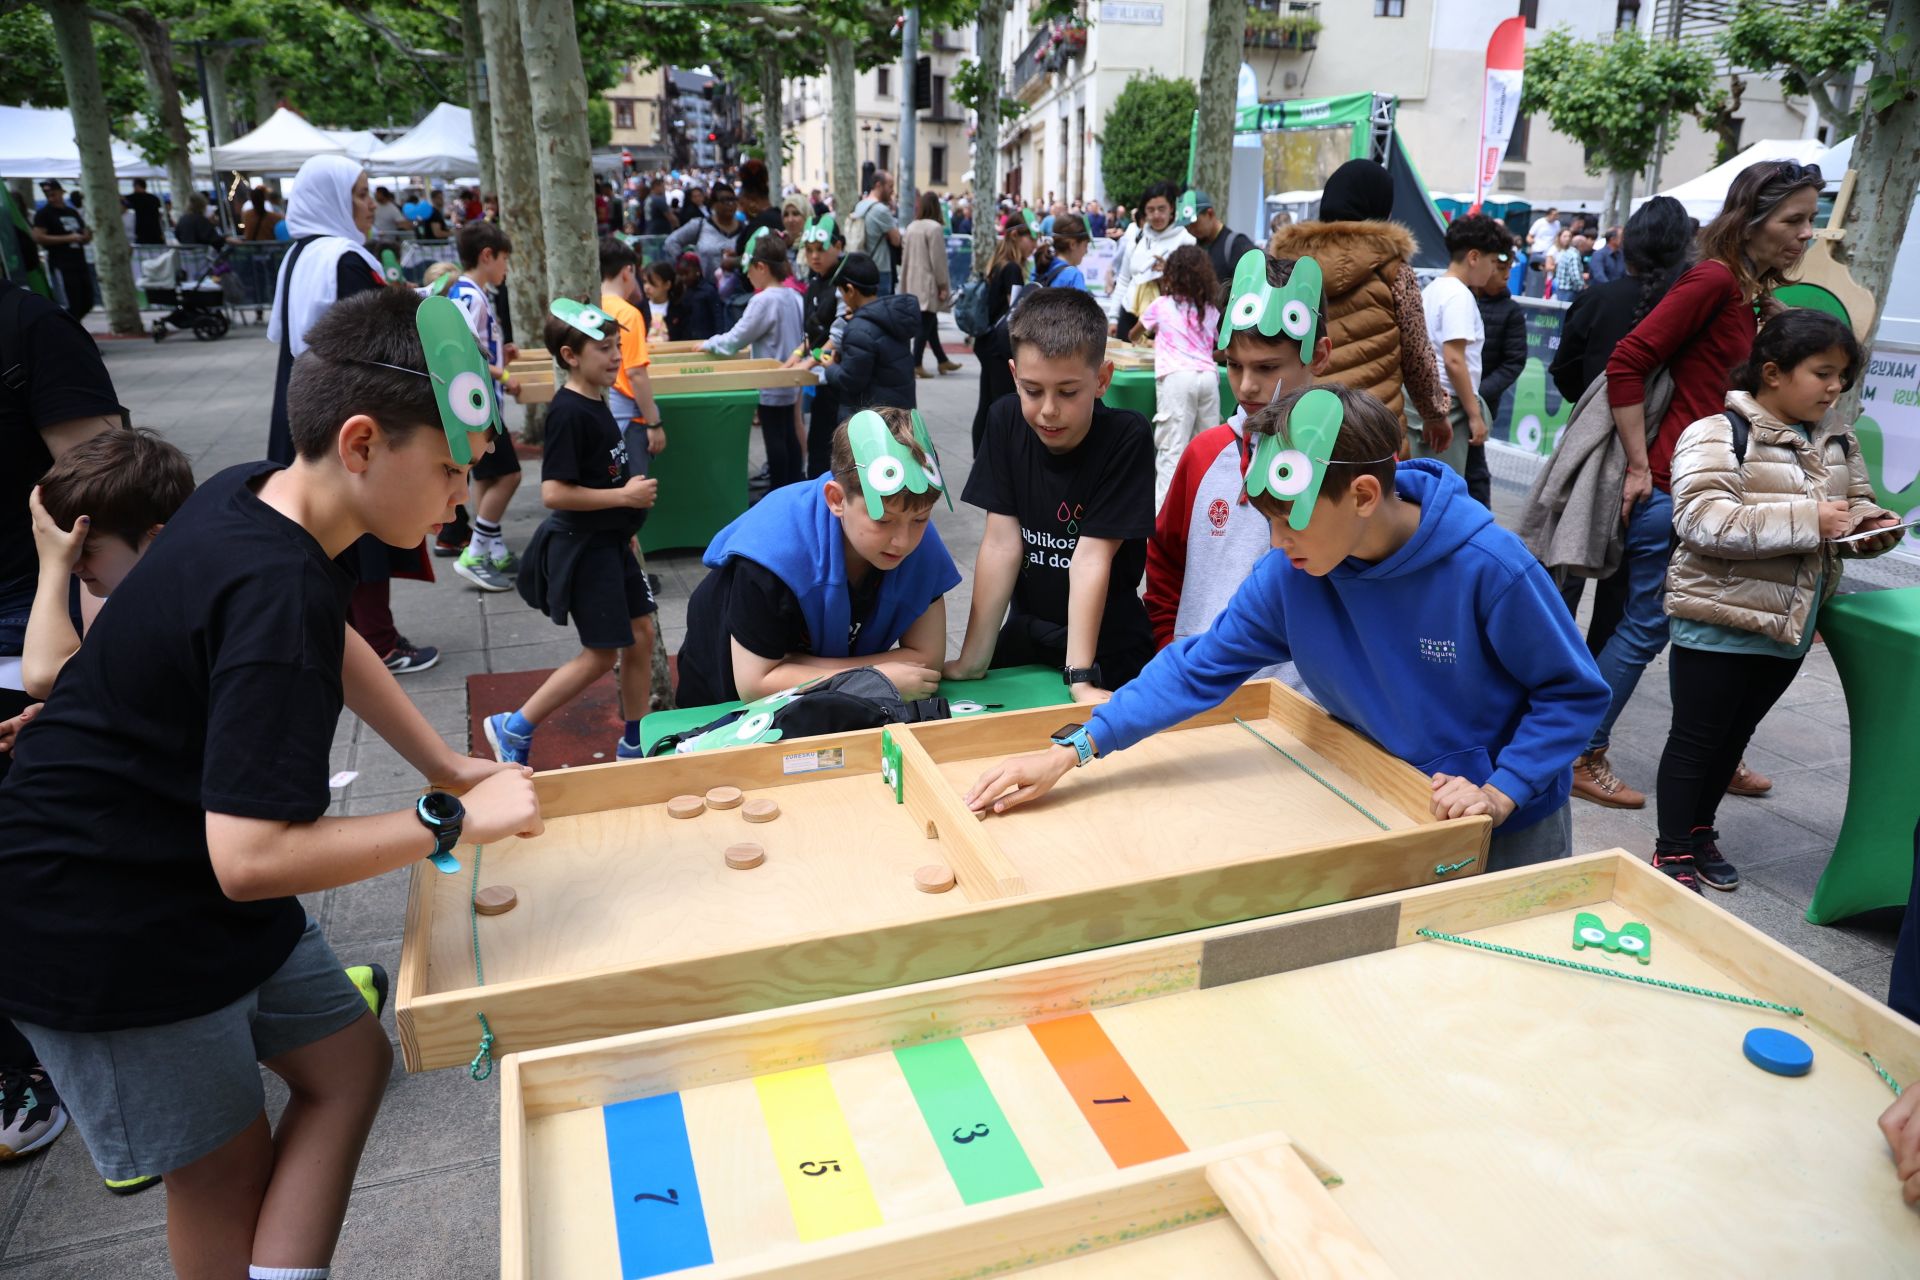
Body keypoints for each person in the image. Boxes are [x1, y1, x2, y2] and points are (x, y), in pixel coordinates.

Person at [0, 285, 542, 1275]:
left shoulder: (263, 494)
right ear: (364, 442)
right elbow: (250, 857)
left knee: (349, 1061)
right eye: (452, 469)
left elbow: (333, 640)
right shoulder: (272, 580)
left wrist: (442, 756)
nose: (463, 496)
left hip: (178, 865)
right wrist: (446, 814)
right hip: (100, 913)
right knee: (223, 1174)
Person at [963, 382, 1610, 872]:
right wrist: (1069, 752)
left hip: (1509, 819)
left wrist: (1503, 790)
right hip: (1389, 798)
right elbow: (1195, 669)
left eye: (1289, 521)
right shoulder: (1292, 574)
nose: (1275, 544)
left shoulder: (1488, 568)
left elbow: (1573, 693)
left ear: (1361, 496)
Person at [1575, 159, 1824, 810]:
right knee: (1646, 629)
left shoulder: (1744, 291)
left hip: (1711, 488)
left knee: (1708, 632)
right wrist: (1637, 467)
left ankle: (1715, 752)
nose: (1806, 234)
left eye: (1811, 220)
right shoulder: (1713, 280)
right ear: (1752, 219)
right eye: (1794, 220)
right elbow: (1628, 360)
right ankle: (1580, 749)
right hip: (1676, 490)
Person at [1652, 310, 1902, 892]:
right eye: (1823, 372)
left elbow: (1854, 505)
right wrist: (1809, 519)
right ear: (1772, 372)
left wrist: (1872, 525)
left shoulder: (1835, 436)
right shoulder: (1716, 431)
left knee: (1734, 740)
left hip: (1789, 624)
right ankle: (1670, 852)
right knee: (1696, 739)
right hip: (1718, 615)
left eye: (1842, 375)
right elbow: (1699, 519)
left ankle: (1699, 831)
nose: (1835, 387)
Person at [268, 154, 440, 674]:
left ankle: (335, 634)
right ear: (333, 200)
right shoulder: (341, 256)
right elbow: (371, 337)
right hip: (350, 411)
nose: (369, 204)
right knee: (361, 519)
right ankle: (380, 642)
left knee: (321, 524)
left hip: (304, 403)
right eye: (361, 194)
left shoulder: (298, 254)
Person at [946, 288, 1157, 701]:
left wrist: (1080, 676)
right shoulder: (1005, 419)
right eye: (1032, 390)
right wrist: (973, 659)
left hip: (1108, 647)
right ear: (1013, 376)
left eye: (1067, 391)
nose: (1048, 410)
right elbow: (1002, 545)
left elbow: (1091, 556)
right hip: (1028, 634)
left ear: (1102, 380)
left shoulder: (1126, 436)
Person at [675, 407, 958, 707]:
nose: (903, 541)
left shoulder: (919, 541)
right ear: (836, 499)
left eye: (921, 518)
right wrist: (875, 677)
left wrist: (798, 667)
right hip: (720, 690)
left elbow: (927, 662)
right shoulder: (772, 553)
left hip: (824, 698)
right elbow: (755, 684)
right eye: (883, 520)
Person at [1145, 252, 1328, 695]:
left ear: (1317, 356)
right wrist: (1173, 650)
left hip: (1304, 707)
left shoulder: (1347, 462)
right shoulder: (1204, 454)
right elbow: (1164, 562)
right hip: (1197, 693)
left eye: (1267, 368)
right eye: (1233, 364)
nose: (1246, 386)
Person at [490, 300, 660, 764]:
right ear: (570, 355)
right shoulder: (567, 412)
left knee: (642, 634)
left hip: (611, 543)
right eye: (604, 348)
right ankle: (513, 727)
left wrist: (626, 524)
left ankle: (634, 739)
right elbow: (554, 493)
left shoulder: (596, 402)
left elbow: (601, 475)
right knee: (602, 655)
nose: (615, 358)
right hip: (583, 550)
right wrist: (623, 499)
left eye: (617, 348)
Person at [1269, 159, 1450, 449]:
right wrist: (1434, 413)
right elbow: (1417, 354)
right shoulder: (1393, 269)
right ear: (1381, 209)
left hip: (1301, 423)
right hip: (1373, 429)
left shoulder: (1288, 266)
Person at [22, 428, 195, 701]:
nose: (73, 564)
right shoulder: (117, 582)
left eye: (86, 549)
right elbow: (98, 683)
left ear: (157, 537)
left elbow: (45, 677)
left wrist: (52, 565)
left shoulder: (169, 601)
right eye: (66, 550)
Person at [441, 221, 527, 591]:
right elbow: (465, 354)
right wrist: (505, 377)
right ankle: (476, 551)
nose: (506, 269)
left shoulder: (465, 292)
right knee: (510, 475)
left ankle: (492, 546)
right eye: (504, 259)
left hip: (475, 403)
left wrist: (501, 357)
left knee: (487, 475)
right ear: (487, 255)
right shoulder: (471, 296)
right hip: (480, 405)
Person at [703, 234, 807, 488]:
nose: (747, 276)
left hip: (770, 380)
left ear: (761, 267)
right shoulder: (794, 296)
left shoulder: (762, 300)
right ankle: (793, 485)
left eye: (748, 270)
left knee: (775, 438)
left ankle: (779, 490)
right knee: (789, 434)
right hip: (790, 376)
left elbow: (736, 338)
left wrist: (709, 343)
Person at [1417, 213, 1507, 484]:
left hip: (1429, 400)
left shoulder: (1433, 289)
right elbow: (1454, 360)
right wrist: (1475, 415)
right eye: (1492, 262)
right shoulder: (1459, 296)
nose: (1493, 270)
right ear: (1474, 257)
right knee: (1441, 491)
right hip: (1450, 406)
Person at [1129, 244, 1221, 508]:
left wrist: (1144, 337)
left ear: (1171, 275)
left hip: (1177, 379)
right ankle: (1206, 515)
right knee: (1209, 454)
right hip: (1207, 379)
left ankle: (1160, 528)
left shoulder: (1161, 305)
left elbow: (1135, 333)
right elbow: (1218, 347)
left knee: (1171, 453)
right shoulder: (1210, 309)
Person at [798, 251, 917, 424]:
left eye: (841, 292)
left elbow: (850, 380)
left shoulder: (859, 329)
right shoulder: (889, 317)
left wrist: (830, 366)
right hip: (897, 413)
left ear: (851, 290)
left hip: (871, 419)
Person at [599, 237, 666, 473]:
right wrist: (654, 422)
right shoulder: (628, 315)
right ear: (628, 271)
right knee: (634, 497)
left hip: (597, 413)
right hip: (628, 422)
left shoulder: (588, 309)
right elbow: (636, 373)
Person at [969, 219, 1036, 453]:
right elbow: (1015, 312)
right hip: (999, 346)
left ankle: (980, 456)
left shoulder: (997, 263)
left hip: (986, 342)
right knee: (1002, 405)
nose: (1034, 245)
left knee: (986, 402)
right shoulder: (1013, 269)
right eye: (1032, 238)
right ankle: (995, 457)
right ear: (1017, 235)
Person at [796, 216, 851, 478]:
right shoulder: (815, 281)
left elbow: (838, 331)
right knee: (817, 441)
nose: (814, 256)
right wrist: (797, 356)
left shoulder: (843, 282)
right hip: (819, 373)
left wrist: (811, 359)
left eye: (820, 249)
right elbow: (812, 331)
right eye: (809, 251)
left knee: (831, 444)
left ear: (838, 246)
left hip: (836, 376)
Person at [1473, 250, 1527, 509]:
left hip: (1482, 404)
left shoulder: (1511, 312)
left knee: (1475, 468)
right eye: (1499, 269)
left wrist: (1479, 394)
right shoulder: (1463, 299)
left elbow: (1514, 361)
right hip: (1449, 399)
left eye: (1508, 270)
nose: (1506, 276)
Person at [1110, 181, 1195, 344]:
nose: (1156, 215)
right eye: (1150, 210)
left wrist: (1170, 273)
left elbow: (1192, 289)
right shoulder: (1137, 238)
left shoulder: (1187, 240)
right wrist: (1113, 317)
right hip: (1128, 316)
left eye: (1162, 209)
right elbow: (1124, 280)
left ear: (1172, 209)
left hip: (1165, 323)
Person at [900, 191, 957, 378]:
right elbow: (938, 260)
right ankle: (916, 363)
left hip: (912, 281)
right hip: (928, 282)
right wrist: (943, 285)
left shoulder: (911, 227)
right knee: (926, 323)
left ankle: (942, 360)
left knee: (929, 323)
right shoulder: (934, 228)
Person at [30, 181, 94, 322]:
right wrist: (67, 238)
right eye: (48, 195)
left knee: (87, 300)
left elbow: (83, 232)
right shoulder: (44, 214)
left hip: (79, 261)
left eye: (53, 193)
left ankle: (74, 326)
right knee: (70, 302)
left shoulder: (71, 212)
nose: (51, 197)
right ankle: (69, 331)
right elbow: (38, 236)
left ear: (61, 192)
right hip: (61, 263)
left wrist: (85, 236)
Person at [664, 182, 741, 281]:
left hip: (740, 291)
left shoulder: (745, 229)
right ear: (714, 204)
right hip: (705, 289)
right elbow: (671, 242)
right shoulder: (700, 225)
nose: (730, 204)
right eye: (724, 201)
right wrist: (685, 263)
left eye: (732, 200)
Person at [1183, 191, 1257, 285]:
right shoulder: (1196, 248)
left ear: (1210, 214)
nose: (1191, 230)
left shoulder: (1237, 245)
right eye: (1186, 226)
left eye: (1194, 224)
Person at [852, 171, 902, 294]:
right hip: (881, 269)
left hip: (864, 266)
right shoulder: (881, 210)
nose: (892, 191)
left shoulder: (860, 205)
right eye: (890, 186)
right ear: (879, 185)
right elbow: (896, 240)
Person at [672, 251, 724, 340]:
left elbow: (718, 315)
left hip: (706, 337)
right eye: (681, 274)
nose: (684, 278)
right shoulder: (682, 291)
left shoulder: (708, 290)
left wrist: (719, 336)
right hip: (687, 338)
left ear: (697, 270)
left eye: (686, 273)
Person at [1037, 213, 1094, 291]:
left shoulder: (1041, 265)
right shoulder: (1073, 275)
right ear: (1072, 244)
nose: (1086, 251)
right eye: (1085, 245)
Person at [1526, 205, 1561, 295]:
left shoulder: (1557, 224)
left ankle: (1545, 293)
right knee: (1536, 276)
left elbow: (1558, 237)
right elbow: (1529, 236)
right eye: (1554, 214)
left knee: (1548, 275)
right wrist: (1533, 243)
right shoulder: (1539, 222)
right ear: (1548, 215)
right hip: (1538, 252)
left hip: (1550, 253)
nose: (1556, 217)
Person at [640, 261, 675, 344]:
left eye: (652, 283)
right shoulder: (638, 309)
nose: (646, 287)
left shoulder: (680, 310)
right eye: (645, 282)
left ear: (667, 285)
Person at [126, 177, 165, 246]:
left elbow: (124, 199)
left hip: (142, 233)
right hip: (156, 231)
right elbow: (159, 215)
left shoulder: (134, 198)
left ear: (137, 186)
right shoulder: (154, 198)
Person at [1552, 232, 1590, 303]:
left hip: (1561, 290)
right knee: (1566, 313)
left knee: (1561, 312)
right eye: (1585, 245)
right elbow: (1575, 277)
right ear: (1580, 245)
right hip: (1569, 292)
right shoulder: (1574, 256)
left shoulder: (1567, 252)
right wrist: (1584, 287)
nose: (1586, 248)